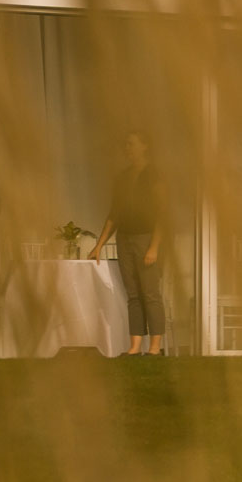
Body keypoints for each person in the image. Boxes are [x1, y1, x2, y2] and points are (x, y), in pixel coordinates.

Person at [85, 131, 167, 357]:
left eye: (131, 144)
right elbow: (114, 214)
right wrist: (99, 245)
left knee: (150, 293)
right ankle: (135, 346)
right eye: (126, 145)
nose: (127, 149)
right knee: (133, 294)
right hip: (125, 238)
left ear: (144, 146)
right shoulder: (123, 178)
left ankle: (155, 347)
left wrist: (154, 246)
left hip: (146, 237)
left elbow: (162, 214)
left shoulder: (154, 175)